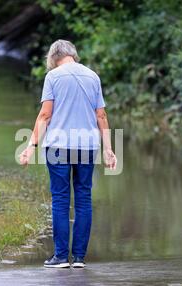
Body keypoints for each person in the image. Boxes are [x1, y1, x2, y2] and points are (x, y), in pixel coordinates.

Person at [19, 39, 117, 268]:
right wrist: (109, 150)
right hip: (87, 146)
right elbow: (101, 116)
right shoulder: (93, 76)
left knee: (61, 200)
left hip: (58, 147)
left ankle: (61, 257)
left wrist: (30, 147)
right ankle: (80, 258)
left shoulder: (52, 77)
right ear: (73, 54)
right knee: (83, 199)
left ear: (53, 58)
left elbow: (45, 115)